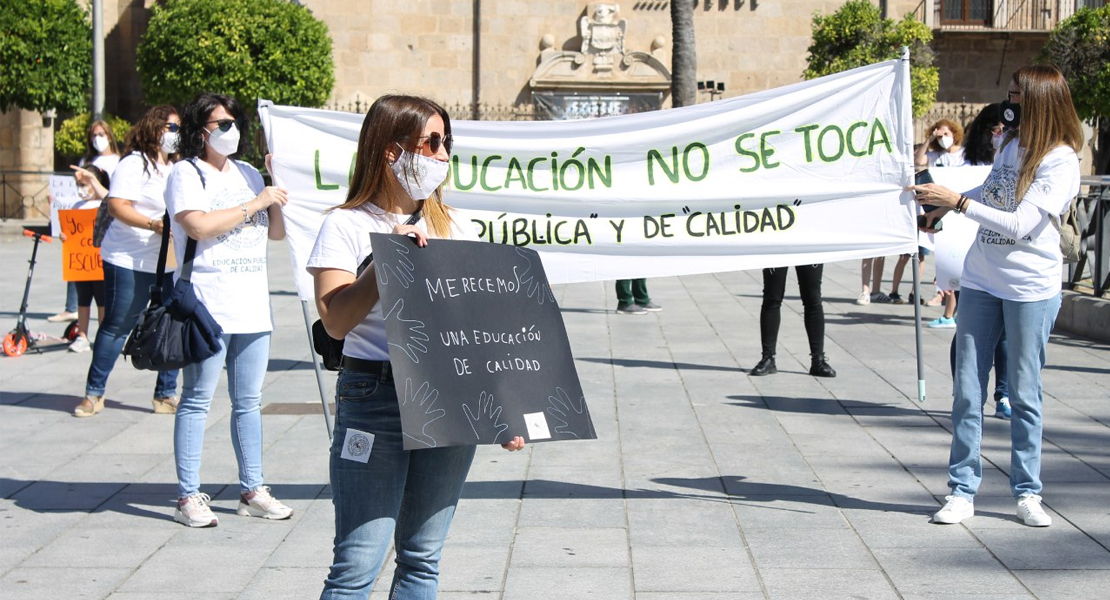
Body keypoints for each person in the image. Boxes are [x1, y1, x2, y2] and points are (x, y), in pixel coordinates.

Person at [308, 94, 525, 599]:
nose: (441, 153)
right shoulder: (345, 224)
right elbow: (336, 321)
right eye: (431, 142)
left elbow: (475, 330)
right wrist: (386, 264)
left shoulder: (454, 225)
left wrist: (505, 407)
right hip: (375, 396)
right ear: (390, 150)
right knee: (357, 564)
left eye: (446, 142)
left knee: (423, 559)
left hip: (449, 396)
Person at [912, 66, 1082, 527]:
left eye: (1016, 97)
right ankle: (961, 490)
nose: (1007, 106)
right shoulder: (1008, 143)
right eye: (1008, 94)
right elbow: (991, 192)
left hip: (1030, 287)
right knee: (968, 388)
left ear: (1041, 102)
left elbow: (1021, 224)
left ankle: (1027, 492)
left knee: (1025, 393)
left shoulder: (1061, 160)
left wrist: (958, 202)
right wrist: (940, 203)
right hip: (983, 279)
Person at [165, 93, 292, 528]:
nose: (230, 130)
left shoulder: (249, 172)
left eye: (233, 122)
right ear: (199, 131)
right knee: (198, 399)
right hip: (207, 303)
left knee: (249, 402)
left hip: (252, 304)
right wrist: (254, 204)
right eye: (221, 124)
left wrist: (272, 190)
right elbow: (197, 224)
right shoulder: (187, 172)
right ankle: (187, 496)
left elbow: (274, 233)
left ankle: (252, 489)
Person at [76, 105, 182, 418]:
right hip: (128, 259)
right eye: (171, 128)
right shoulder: (134, 164)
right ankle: (94, 393)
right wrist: (153, 224)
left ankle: (165, 394)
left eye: (179, 128)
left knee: (171, 323)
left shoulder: (176, 167)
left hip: (168, 261)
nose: (176, 135)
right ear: (154, 129)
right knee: (118, 325)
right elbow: (118, 205)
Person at [49, 119, 122, 323]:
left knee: (102, 292)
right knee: (79, 274)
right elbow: (77, 191)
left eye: (101, 134)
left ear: (109, 136)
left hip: (102, 217)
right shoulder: (86, 159)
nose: (97, 139)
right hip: (83, 231)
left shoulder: (117, 161)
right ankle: (72, 309)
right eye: (94, 135)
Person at [749, 264, 836, 378]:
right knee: (772, 297)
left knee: (813, 298)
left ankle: (818, 360)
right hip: (777, 247)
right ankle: (768, 357)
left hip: (806, 247)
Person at [66, 164, 110, 353]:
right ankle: (82, 335)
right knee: (83, 299)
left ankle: (102, 334)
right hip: (81, 263)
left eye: (85, 184)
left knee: (103, 300)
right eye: (78, 185)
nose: (81, 189)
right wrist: (65, 237)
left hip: (99, 262)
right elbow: (71, 232)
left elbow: (110, 199)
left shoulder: (104, 202)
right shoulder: (76, 206)